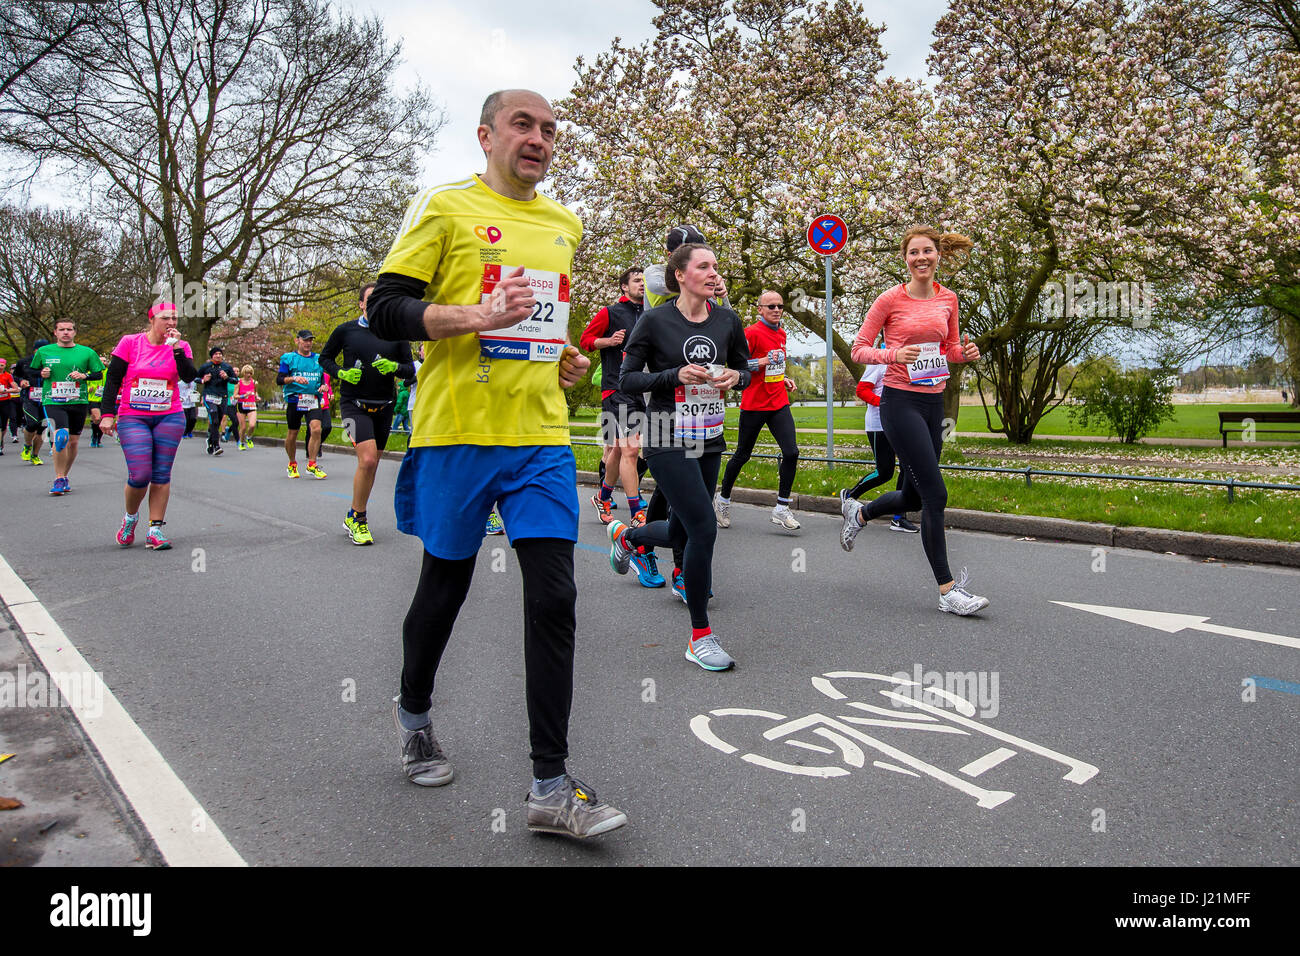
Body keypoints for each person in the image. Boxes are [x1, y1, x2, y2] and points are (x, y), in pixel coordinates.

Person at [365, 88, 626, 838]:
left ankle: (551, 785)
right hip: (457, 432)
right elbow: (384, 311)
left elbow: (539, 322)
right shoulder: (444, 207)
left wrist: (565, 357)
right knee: (444, 586)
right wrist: (475, 317)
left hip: (539, 436)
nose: (539, 138)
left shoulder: (564, 223)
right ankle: (414, 712)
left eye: (549, 129)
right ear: (486, 135)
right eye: (524, 125)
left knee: (553, 597)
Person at [607, 242, 751, 671]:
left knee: (681, 530)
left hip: (708, 434)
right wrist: (674, 375)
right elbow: (627, 378)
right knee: (704, 527)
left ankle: (628, 538)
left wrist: (733, 377)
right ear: (680, 275)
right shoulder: (655, 320)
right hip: (665, 434)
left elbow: (746, 368)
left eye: (715, 266)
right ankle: (700, 636)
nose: (713, 273)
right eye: (703, 266)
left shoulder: (727, 319)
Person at [841, 226, 988, 615]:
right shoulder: (890, 299)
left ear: (938, 255)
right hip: (899, 403)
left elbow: (950, 349)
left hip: (932, 404)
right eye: (913, 253)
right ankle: (948, 591)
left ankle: (860, 512)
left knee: (913, 495)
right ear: (905, 259)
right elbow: (859, 350)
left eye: (928, 251)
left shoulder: (949, 299)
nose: (921, 258)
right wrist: (893, 355)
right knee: (935, 496)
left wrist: (965, 353)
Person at [319, 281, 416, 545]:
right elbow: (324, 359)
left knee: (370, 466)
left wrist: (394, 367)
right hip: (353, 405)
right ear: (361, 303)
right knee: (369, 460)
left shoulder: (396, 333)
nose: (375, 303)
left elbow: (410, 369)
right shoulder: (345, 331)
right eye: (370, 299)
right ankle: (359, 519)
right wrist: (340, 373)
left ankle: (353, 513)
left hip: (384, 407)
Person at [99, 302, 197, 550]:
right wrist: (107, 414)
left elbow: (188, 376)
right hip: (134, 416)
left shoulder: (181, 346)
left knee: (162, 475)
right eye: (166, 318)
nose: (172, 323)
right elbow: (112, 380)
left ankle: (155, 529)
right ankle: (130, 518)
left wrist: (176, 350)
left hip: (169, 416)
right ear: (152, 319)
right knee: (141, 474)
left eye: (175, 319)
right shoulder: (130, 343)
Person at [714, 290, 802, 531]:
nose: (776, 309)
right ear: (760, 309)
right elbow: (736, 366)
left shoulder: (782, 333)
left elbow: (775, 367)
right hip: (754, 404)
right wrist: (761, 361)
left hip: (779, 402)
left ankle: (782, 508)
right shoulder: (750, 333)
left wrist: (784, 379)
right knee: (742, 454)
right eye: (771, 306)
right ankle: (723, 500)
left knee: (792, 452)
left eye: (780, 306)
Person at [581, 268, 649, 527]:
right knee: (630, 448)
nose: (642, 284)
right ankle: (636, 513)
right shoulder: (610, 313)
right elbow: (586, 340)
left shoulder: (650, 314)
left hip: (642, 389)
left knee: (622, 451)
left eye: (644, 281)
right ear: (624, 287)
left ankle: (602, 497)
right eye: (636, 281)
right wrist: (608, 342)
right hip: (616, 388)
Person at [839, 352, 918, 533]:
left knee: (908, 467)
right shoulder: (879, 361)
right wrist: (885, 404)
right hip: (878, 425)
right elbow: (862, 390)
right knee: (885, 472)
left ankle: (898, 518)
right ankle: (850, 495)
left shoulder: (910, 358)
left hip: (901, 423)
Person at [32, 319, 104, 495]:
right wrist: (41, 373)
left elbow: (97, 374)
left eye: (69, 329)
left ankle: (64, 476)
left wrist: (83, 376)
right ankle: (58, 478)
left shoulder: (87, 352)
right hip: (53, 400)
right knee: (61, 436)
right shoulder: (44, 351)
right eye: (62, 329)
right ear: (55, 332)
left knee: (73, 442)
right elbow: (31, 371)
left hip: (78, 401)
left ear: (75, 332)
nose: (66, 332)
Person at [277, 331, 328, 479]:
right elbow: (280, 379)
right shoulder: (289, 358)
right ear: (297, 341)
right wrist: (294, 378)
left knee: (317, 429)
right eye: (305, 340)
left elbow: (321, 380)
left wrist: (324, 387)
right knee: (293, 434)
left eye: (310, 340)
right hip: (295, 399)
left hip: (313, 399)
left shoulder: (318, 359)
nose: (308, 343)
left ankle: (312, 464)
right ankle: (292, 464)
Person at [13, 340, 50, 465]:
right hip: (29, 398)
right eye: (40, 350)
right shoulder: (24, 362)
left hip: (47, 398)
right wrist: (21, 381)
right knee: (32, 423)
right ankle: (27, 446)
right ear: (35, 350)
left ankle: (35, 455)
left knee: (41, 429)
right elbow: (16, 376)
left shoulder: (52, 362)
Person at [197, 347, 236, 456]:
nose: (218, 356)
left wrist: (227, 377)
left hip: (222, 397)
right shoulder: (206, 366)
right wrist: (203, 380)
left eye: (220, 354)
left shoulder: (226, 367)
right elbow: (195, 378)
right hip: (209, 396)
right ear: (212, 356)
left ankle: (210, 439)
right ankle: (216, 445)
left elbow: (235, 380)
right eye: (216, 354)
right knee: (213, 418)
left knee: (217, 421)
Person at [235, 365, 258, 450]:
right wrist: (244, 396)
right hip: (241, 405)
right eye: (247, 373)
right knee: (243, 427)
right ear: (243, 373)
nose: (249, 375)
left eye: (250, 373)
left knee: (252, 425)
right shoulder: (239, 382)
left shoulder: (255, 382)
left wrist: (257, 397)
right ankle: (241, 442)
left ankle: (248, 437)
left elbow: (255, 393)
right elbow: (235, 396)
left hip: (251, 405)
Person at [86, 357, 107, 448]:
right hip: (93, 399)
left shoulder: (108, 372)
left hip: (105, 400)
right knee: (97, 418)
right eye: (100, 360)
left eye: (104, 361)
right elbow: (84, 384)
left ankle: (98, 439)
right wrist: (88, 389)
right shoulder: (90, 373)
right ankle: (94, 436)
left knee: (102, 420)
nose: (103, 362)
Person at [0, 358, 16, 454]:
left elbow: (16, 389)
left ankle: (1, 442)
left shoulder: (8, 376)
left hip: (5, 402)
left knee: (4, 426)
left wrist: (5, 390)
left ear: (4, 366)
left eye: (1, 365)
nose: (0, 367)